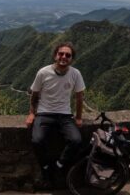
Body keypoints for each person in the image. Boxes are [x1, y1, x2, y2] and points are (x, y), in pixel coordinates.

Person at [25, 42, 85, 188]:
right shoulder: (43, 72)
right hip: (44, 113)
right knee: (37, 140)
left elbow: (79, 97)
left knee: (76, 140)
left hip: (64, 115)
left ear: (71, 59)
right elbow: (34, 95)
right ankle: (46, 169)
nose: (64, 57)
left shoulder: (75, 74)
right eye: (61, 54)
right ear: (55, 55)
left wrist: (78, 117)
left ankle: (59, 166)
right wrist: (32, 113)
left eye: (68, 55)